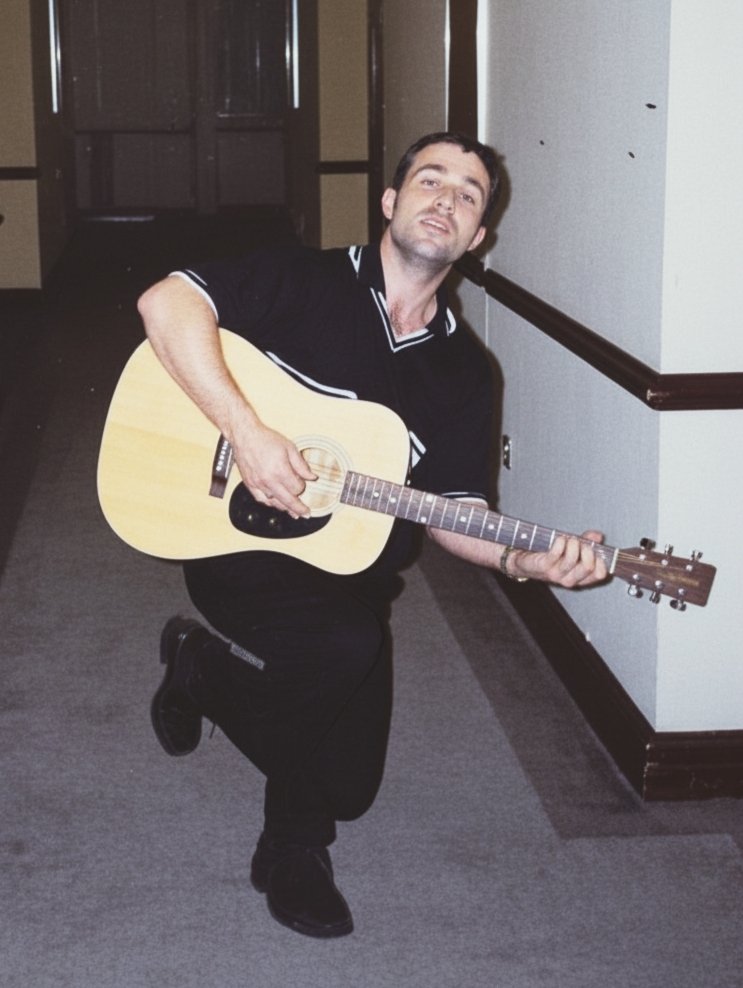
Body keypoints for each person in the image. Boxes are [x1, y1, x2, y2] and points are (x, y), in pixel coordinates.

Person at [137, 132, 607, 939]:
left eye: (468, 195)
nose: (447, 200)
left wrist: (526, 559)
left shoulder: (465, 374)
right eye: (430, 180)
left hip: (348, 566)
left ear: (477, 236)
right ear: (390, 204)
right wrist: (247, 433)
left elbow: (457, 514)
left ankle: (198, 668)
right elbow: (164, 304)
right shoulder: (304, 277)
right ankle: (291, 847)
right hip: (234, 536)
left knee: (349, 785)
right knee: (341, 649)